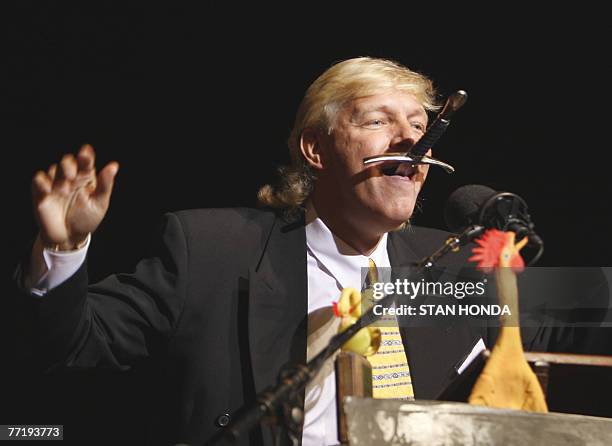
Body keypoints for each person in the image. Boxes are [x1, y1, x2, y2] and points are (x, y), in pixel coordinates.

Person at [18, 57, 486, 446]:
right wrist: (64, 247)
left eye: (421, 126)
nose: (411, 141)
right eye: (379, 121)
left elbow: (556, 331)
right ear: (315, 149)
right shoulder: (211, 250)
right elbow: (74, 345)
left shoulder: (457, 262)